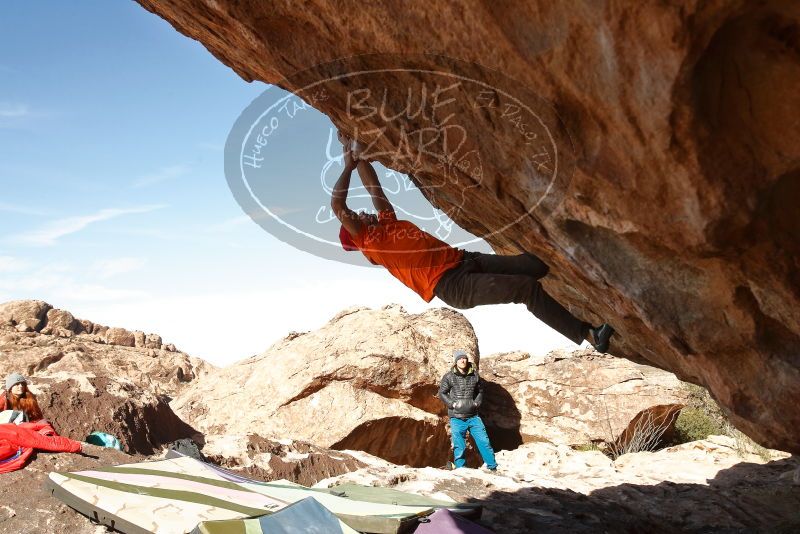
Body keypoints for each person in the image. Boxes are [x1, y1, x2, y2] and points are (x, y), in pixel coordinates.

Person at [330, 132, 615, 352]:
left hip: (465, 259)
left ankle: (579, 297)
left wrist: (358, 155)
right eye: (357, 215)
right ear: (354, 231)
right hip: (451, 285)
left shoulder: (387, 222)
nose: (363, 212)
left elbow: (373, 187)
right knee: (526, 290)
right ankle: (589, 335)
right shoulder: (371, 245)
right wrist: (347, 168)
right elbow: (338, 204)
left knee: (535, 266)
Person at [438, 350, 496, 470]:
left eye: (464, 358)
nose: (462, 360)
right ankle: (461, 469)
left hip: (473, 416)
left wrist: (476, 403)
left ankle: (492, 467)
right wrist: (452, 404)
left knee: (484, 442)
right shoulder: (449, 376)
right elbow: (442, 393)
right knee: (459, 446)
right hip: (456, 417)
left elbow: (480, 391)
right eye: (460, 359)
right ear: (456, 361)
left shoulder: (474, 375)